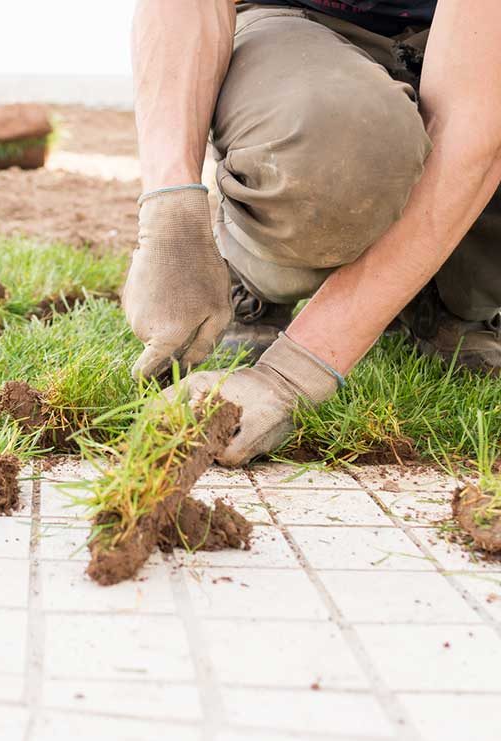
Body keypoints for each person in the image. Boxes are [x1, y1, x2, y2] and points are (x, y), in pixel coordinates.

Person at [124, 0, 501, 465]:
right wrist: (172, 222)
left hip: (474, 46)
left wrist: (292, 376)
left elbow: (475, 131)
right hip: (303, 36)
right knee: (336, 143)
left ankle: (448, 295)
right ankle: (257, 275)